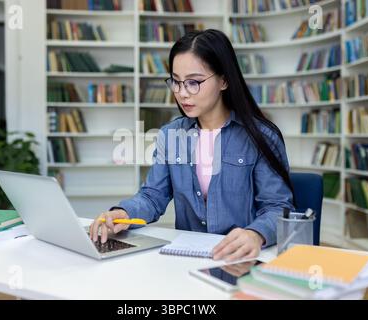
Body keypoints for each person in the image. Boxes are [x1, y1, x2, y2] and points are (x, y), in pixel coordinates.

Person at [90, 29, 294, 262]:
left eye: (193, 82)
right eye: (176, 82)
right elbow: (153, 196)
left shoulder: (261, 136)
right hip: (187, 259)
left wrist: (256, 234)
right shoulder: (171, 134)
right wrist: (122, 214)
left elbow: (278, 207)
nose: (182, 93)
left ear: (224, 80)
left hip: (242, 259)